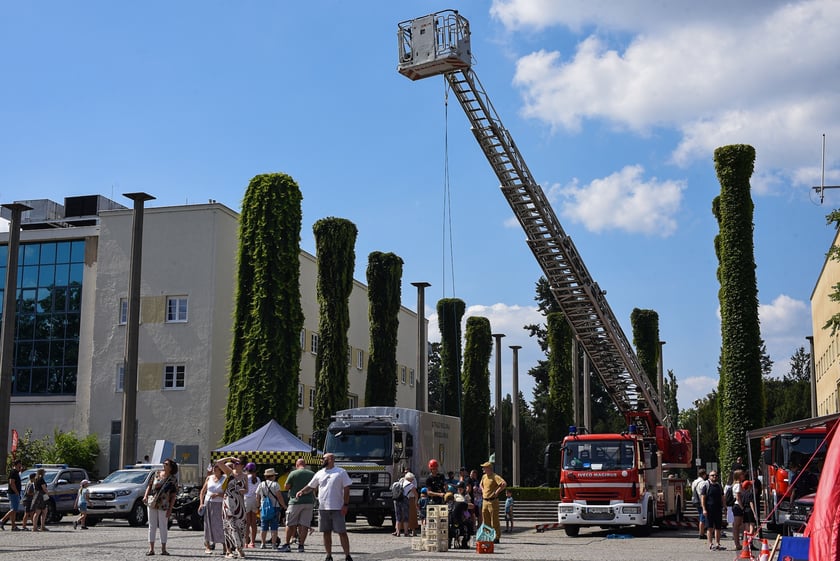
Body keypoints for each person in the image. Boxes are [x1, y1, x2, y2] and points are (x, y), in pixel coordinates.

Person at [296, 452, 353, 561]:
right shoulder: (319, 473)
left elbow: (346, 489)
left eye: (324, 458)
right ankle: (328, 555)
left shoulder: (341, 472)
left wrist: (345, 504)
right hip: (323, 508)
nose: (322, 460)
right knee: (326, 533)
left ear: (331, 459)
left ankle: (347, 555)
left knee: (342, 532)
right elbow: (311, 486)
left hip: (337, 507)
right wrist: (301, 491)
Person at [143, 458, 179, 556]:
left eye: (166, 464)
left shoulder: (173, 479)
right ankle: (151, 549)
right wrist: (145, 496)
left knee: (163, 526)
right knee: (152, 526)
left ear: (171, 467)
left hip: (164, 504)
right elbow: (149, 486)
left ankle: (163, 549)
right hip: (152, 503)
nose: (164, 465)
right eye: (164, 463)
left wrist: (170, 509)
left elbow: (173, 495)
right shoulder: (156, 474)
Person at [280, 458, 316, 553]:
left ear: (297, 465)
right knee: (304, 524)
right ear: (305, 465)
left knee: (290, 523)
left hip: (295, 501)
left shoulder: (293, 473)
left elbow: (286, 487)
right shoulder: (312, 474)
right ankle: (301, 546)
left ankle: (287, 544)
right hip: (309, 501)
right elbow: (315, 487)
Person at [217, 457, 248, 559]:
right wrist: (230, 458)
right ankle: (229, 551)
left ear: (242, 465)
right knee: (229, 526)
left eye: (237, 463)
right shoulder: (229, 472)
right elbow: (219, 462)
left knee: (241, 526)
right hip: (228, 502)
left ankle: (240, 548)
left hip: (240, 503)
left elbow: (247, 489)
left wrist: (244, 490)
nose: (234, 464)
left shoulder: (245, 476)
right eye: (234, 462)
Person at [200, 463, 227, 555]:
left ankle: (224, 546)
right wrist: (201, 503)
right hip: (208, 503)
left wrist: (218, 494)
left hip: (220, 504)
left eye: (216, 467)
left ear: (220, 469)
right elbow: (202, 492)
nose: (214, 469)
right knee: (208, 524)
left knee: (220, 525)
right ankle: (207, 546)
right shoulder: (209, 478)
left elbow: (228, 493)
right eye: (214, 467)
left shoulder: (225, 479)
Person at [255, 467, 285, 549]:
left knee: (263, 527)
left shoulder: (261, 484)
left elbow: (257, 496)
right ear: (272, 476)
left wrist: (258, 506)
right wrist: (284, 505)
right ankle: (273, 544)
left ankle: (263, 543)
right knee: (274, 527)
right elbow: (279, 496)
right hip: (275, 507)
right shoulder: (276, 484)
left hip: (264, 509)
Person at [479, 460, 506, 544]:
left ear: (489, 468)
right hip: (485, 501)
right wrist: (483, 490)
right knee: (486, 520)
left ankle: (496, 537)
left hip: (492, 501)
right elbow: (481, 484)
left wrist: (497, 492)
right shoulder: (484, 476)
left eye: (484, 467)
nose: (483, 468)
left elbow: (504, 484)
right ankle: (488, 536)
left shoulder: (495, 476)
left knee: (494, 520)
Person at [701, 470, 725, 551]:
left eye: (716, 475)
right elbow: (703, 498)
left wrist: (724, 506)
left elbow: (722, 496)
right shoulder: (706, 486)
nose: (715, 477)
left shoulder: (719, 486)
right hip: (709, 509)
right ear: (709, 476)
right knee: (709, 527)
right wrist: (704, 509)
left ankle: (718, 543)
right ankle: (710, 543)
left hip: (718, 509)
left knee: (718, 527)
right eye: (713, 475)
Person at [0, 459, 22, 530]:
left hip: (14, 493)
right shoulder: (13, 472)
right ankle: (2, 520)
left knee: (14, 510)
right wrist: (16, 492)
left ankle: (13, 526)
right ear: (17, 464)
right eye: (20, 464)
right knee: (13, 509)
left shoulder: (17, 472)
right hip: (13, 493)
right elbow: (11, 483)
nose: (20, 466)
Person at [393, 472, 417, 537]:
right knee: (406, 516)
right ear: (411, 479)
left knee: (398, 517)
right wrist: (416, 500)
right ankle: (406, 532)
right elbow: (415, 494)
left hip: (397, 500)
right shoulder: (410, 484)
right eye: (412, 479)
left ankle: (398, 532)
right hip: (404, 500)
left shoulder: (399, 482)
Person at [242, 462, 260, 549]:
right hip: (255, 500)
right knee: (254, 523)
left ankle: (246, 542)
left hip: (246, 500)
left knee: (247, 523)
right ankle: (252, 542)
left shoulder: (245, 478)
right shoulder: (258, 479)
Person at [690, 469, 708, 540]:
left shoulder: (694, 482)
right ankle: (701, 533)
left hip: (696, 501)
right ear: (704, 474)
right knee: (702, 517)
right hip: (701, 501)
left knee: (701, 515)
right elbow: (702, 493)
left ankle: (701, 532)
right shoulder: (703, 482)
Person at [31, 467, 49, 532]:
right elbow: (44, 488)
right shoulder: (41, 479)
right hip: (42, 495)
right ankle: (42, 526)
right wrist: (47, 494)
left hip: (36, 495)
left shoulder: (36, 479)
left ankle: (34, 527)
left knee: (37, 512)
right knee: (44, 511)